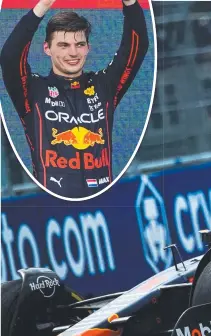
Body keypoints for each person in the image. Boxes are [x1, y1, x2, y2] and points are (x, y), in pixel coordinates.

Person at [0, 0, 149, 198]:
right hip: (53, 204)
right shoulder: (32, 90)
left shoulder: (103, 86)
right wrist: (43, 5)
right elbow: (10, 56)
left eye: (79, 44)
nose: (73, 53)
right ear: (47, 49)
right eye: (63, 45)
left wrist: (130, 2)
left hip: (104, 200)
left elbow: (137, 46)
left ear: (88, 48)